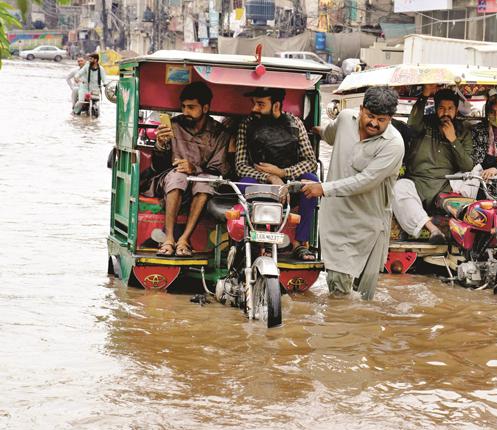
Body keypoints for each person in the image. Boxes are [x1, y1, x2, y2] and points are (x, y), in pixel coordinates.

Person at [303, 86, 404, 300]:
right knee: (339, 293)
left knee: (365, 298)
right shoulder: (345, 119)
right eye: (370, 116)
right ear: (361, 109)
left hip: (369, 225)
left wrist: (324, 188)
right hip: (337, 222)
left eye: (382, 119)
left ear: (391, 119)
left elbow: (366, 181)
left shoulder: (394, 145)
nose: (374, 123)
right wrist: (311, 130)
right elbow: (329, 134)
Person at [143, 81, 236, 257]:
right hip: (170, 180)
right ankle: (169, 238)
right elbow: (158, 167)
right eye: (183, 107)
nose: (186, 112)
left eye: (191, 107)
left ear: (205, 108)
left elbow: (218, 169)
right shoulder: (173, 125)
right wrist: (161, 145)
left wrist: (194, 168)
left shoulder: (219, 133)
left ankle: (184, 239)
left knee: (204, 183)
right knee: (178, 177)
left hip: (201, 183)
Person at [235, 87, 319, 261]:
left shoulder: (295, 124)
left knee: (312, 181)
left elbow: (311, 162)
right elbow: (241, 166)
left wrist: (283, 174)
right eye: (254, 104)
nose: (254, 109)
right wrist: (271, 177)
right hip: (261, 183)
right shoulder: (246, 125)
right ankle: (258, 242)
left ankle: (300, 243)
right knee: (243, 182)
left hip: (290, 185)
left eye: (260, 104)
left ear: (276, 106)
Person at [391, 84, 473, 244]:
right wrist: (425, 94)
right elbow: (412, 125)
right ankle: (433, 230)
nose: (446, 113)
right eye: (441, 108)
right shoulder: (425, 124)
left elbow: (467, 166)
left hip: (446, 186)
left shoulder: (463, 131)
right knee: (398, 188)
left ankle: (464, 229)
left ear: (456, 110)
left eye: (450, 108)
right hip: (417, 183)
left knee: (474, 176)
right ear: (435, 108)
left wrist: (453, 140)